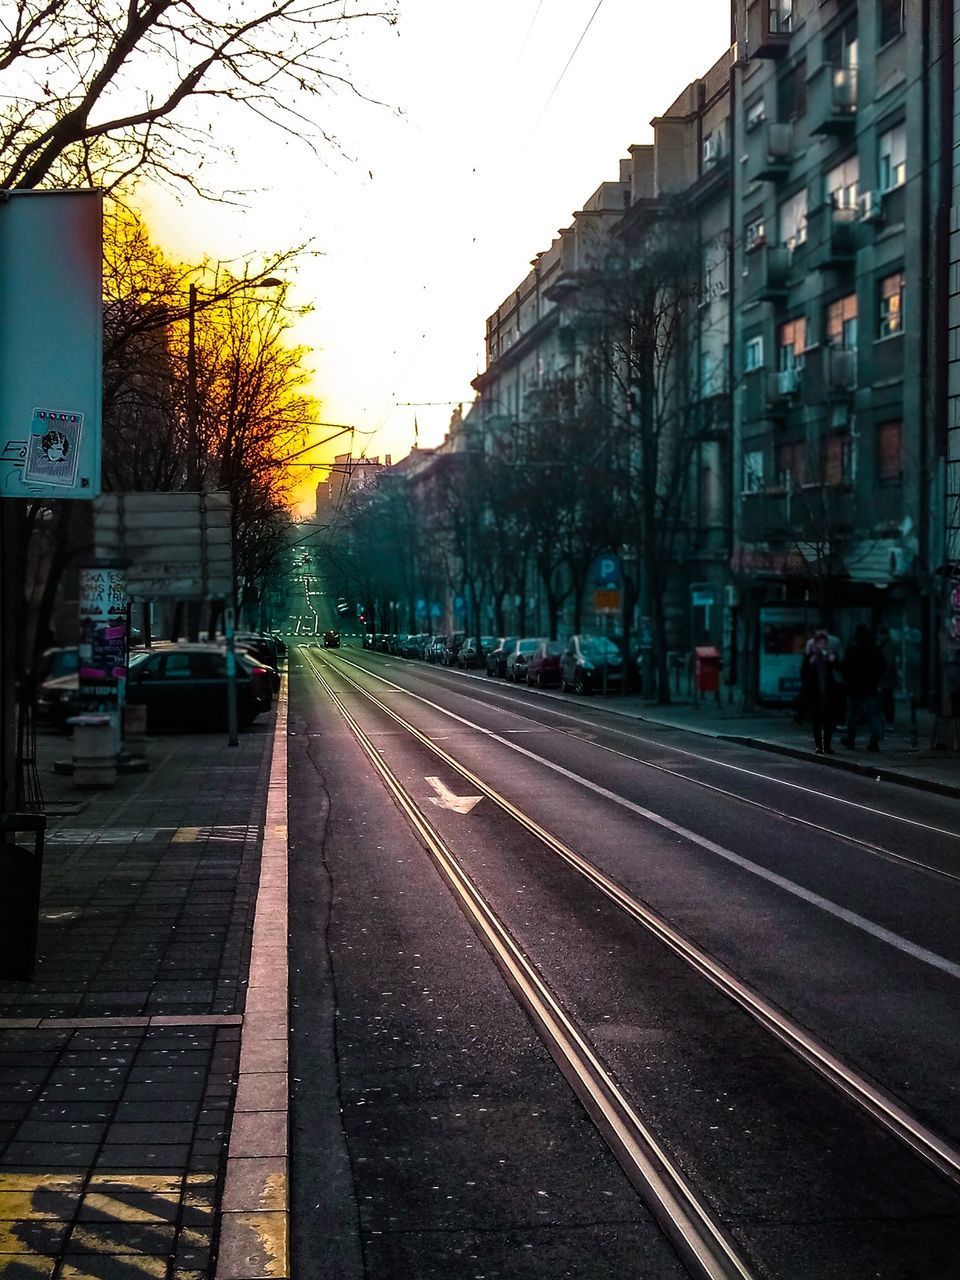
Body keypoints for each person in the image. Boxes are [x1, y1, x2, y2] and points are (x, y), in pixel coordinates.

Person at [841, 623, 886, 751]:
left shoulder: (852, 649)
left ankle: (850, 739)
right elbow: (883, 667)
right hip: (870, 687)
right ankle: (874, 741)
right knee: (873, 715)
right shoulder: (875, 649)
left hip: (854, 687)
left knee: (852, 714)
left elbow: (845, 668)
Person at [800, 630, 841, 755]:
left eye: (824, 643)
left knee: (828, 721)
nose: (822, 645)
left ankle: (827, 746)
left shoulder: (829, 656)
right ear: (815, 644)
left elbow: (839, 670)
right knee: (817, 721)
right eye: (820, 643)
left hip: (828, 693)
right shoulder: (810, 657)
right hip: (815, 694)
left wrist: (833, 660)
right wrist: (810, 663)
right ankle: (818, 746)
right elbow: (804, 674)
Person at [876, 625, 897, 726]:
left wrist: (885, 672)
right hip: (886, 676)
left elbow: (889, 662)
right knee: (886, 698)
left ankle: (889, 718)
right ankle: (888, 717)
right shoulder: (885, 644)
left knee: (887, 698)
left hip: (886, 676)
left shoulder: (888, 645)